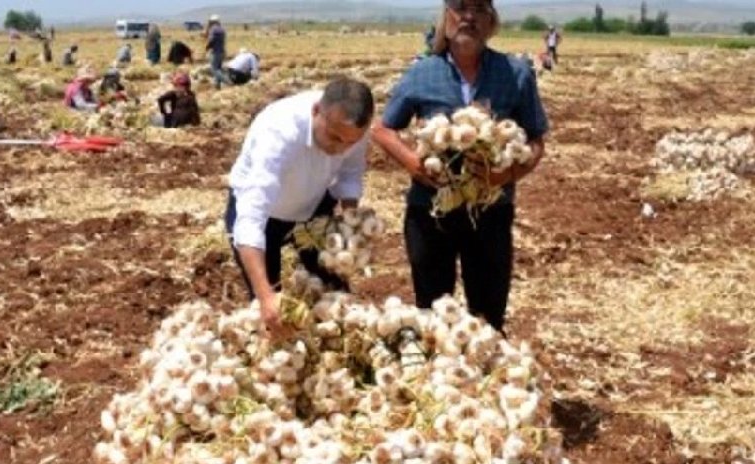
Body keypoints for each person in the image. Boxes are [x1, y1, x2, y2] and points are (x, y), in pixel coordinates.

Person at [372, 0, 547, 333]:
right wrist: (414, 164)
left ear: (491, 20)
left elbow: (536, 141)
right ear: (446, 17)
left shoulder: (516, 73)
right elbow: (382, 129)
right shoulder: (423, 71)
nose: (469, 17)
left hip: (491, 212)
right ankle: (440, 376)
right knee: (434, 312)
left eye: (479, 9)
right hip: (430, 213)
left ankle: (485, 372)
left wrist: (505, 175)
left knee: (488, 315)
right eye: (460, 7)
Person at [225, 78, 374, 336]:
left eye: (349, 142)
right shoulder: (278, 133)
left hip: (314, 205)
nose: (340, 148)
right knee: (273, 308)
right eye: (334, 137)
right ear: (316, 111)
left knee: (334, 290)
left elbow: (350, 175)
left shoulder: (352, 128)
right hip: (267, 215)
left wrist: (350, 223)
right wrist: (265, 296)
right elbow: (251, 218)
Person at [205, 15, 227, 89]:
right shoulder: (222, 29)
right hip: (222, 51)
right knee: (219, 69)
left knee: (214, 69)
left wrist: (207, 47)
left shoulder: (213, 29)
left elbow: (211, 40)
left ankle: (228, 82)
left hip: (215, 52)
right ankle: (217, 86)